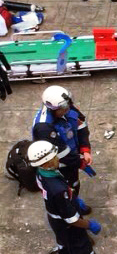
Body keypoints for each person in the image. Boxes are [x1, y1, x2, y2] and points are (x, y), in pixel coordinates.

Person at [27, 140, 117, 254]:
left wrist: (72, 198)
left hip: (56, 220)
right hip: (69, 227)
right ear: (47, 162)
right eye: (54, 156)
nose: (57, 158)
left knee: (65, 252)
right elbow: (72, 220)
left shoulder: (42, 173)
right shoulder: (57, 189)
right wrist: (89, 224)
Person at [32, 85, 93, 213]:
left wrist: (85, 149)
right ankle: (74, 208)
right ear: (53, 108)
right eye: (64, 108)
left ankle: (76, 202)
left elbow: (81, 126)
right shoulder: (44, 128)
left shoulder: (65, 107)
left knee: (75, 183)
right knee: (67, 188)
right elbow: (61, 153)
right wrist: (80, 163)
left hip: (72, 156)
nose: (68, 109)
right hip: (59, 164)